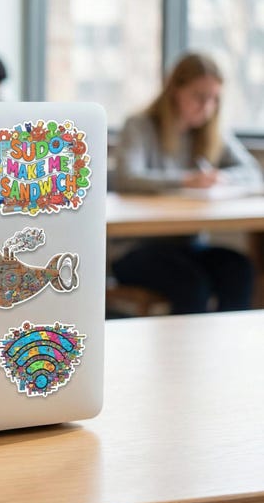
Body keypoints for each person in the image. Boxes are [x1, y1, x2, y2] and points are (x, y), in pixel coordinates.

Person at [112, 51, 262, 314]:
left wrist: (222, 177)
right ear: (175, 91)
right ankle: (182, 355)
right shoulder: (140, 126)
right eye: (199, 97)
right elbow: (127, 178)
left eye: (214, 99)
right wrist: (186, 180)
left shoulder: (211, 132)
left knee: (239, 269)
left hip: (186, 245)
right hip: (135, 248)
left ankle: (229, 350)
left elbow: (251, 171)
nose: (207, 106)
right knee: (192, 284)